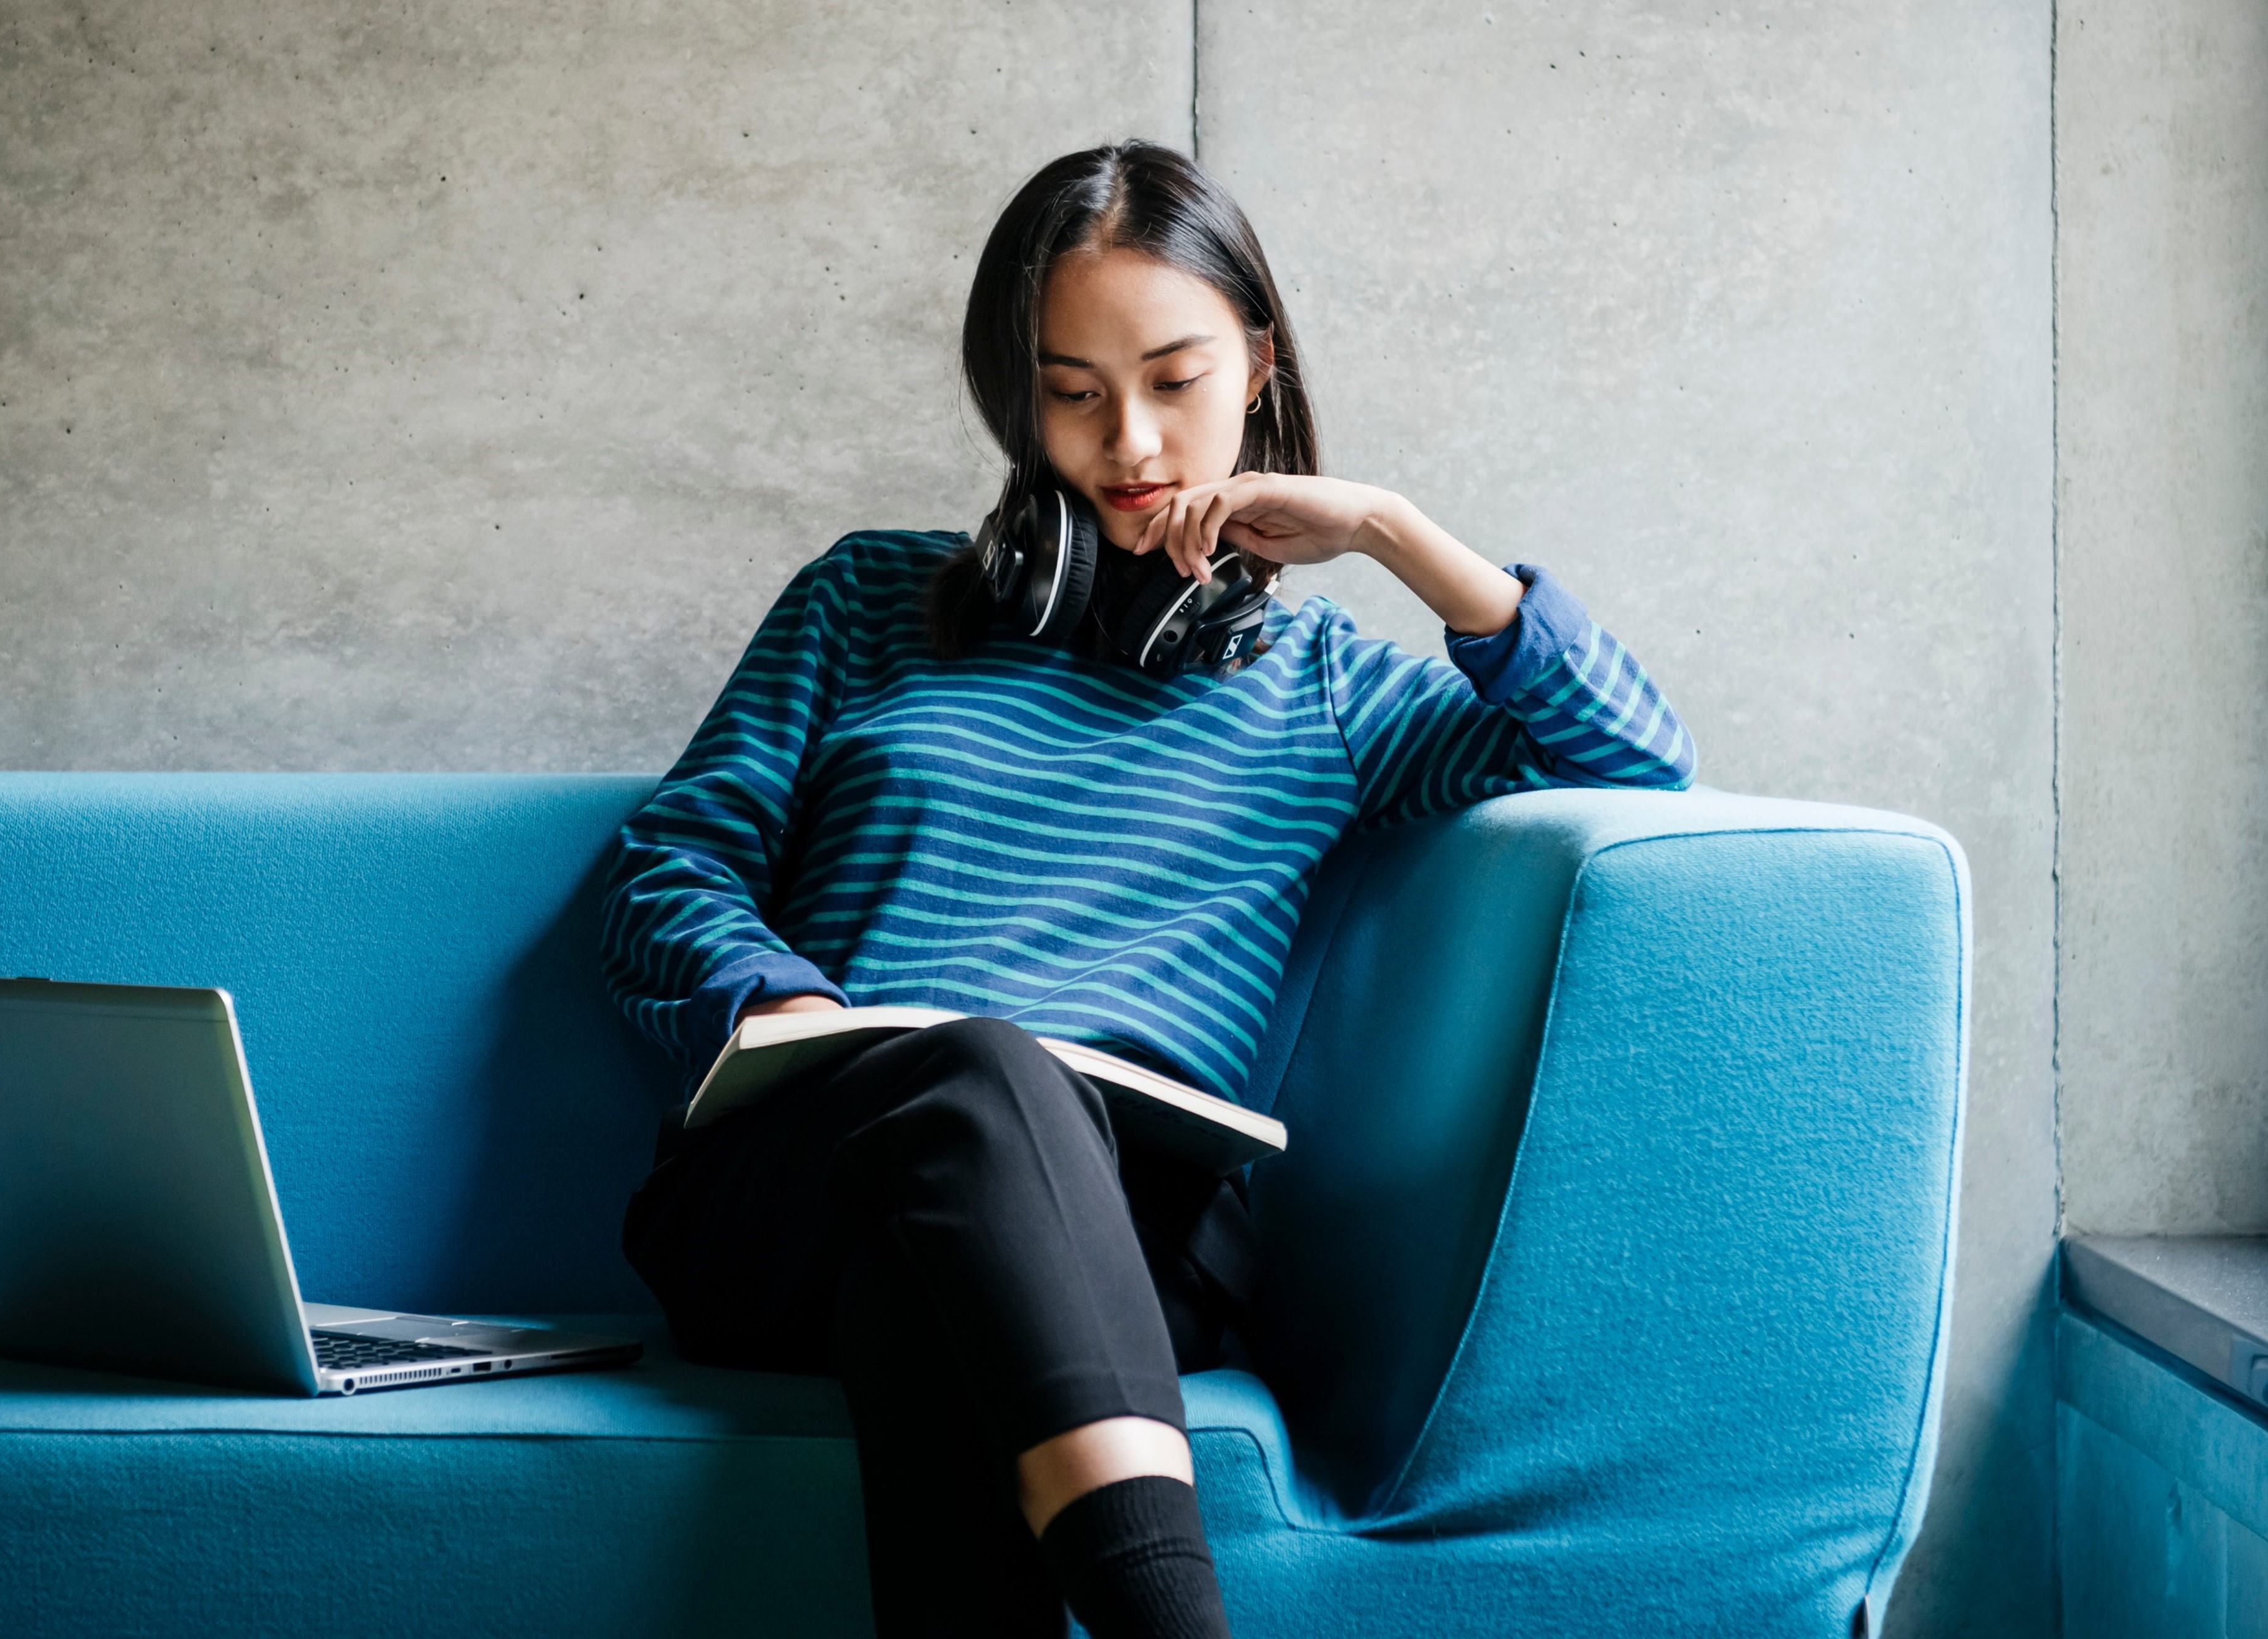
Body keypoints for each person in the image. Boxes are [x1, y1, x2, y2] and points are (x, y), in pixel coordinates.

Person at [599, 141, 1696, 1639]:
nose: (1131, 444)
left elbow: (1635, 756)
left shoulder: (1327, 691)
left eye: (1175, 381)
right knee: (974, 1075)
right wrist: (781, 1006)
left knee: (933, 1296)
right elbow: (675, 859)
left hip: (1119, 1238)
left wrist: (1390, 533)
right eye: (1072, 392)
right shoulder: (864, 599)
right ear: (1017, 400)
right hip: (800, 1183)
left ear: (1256, 363)